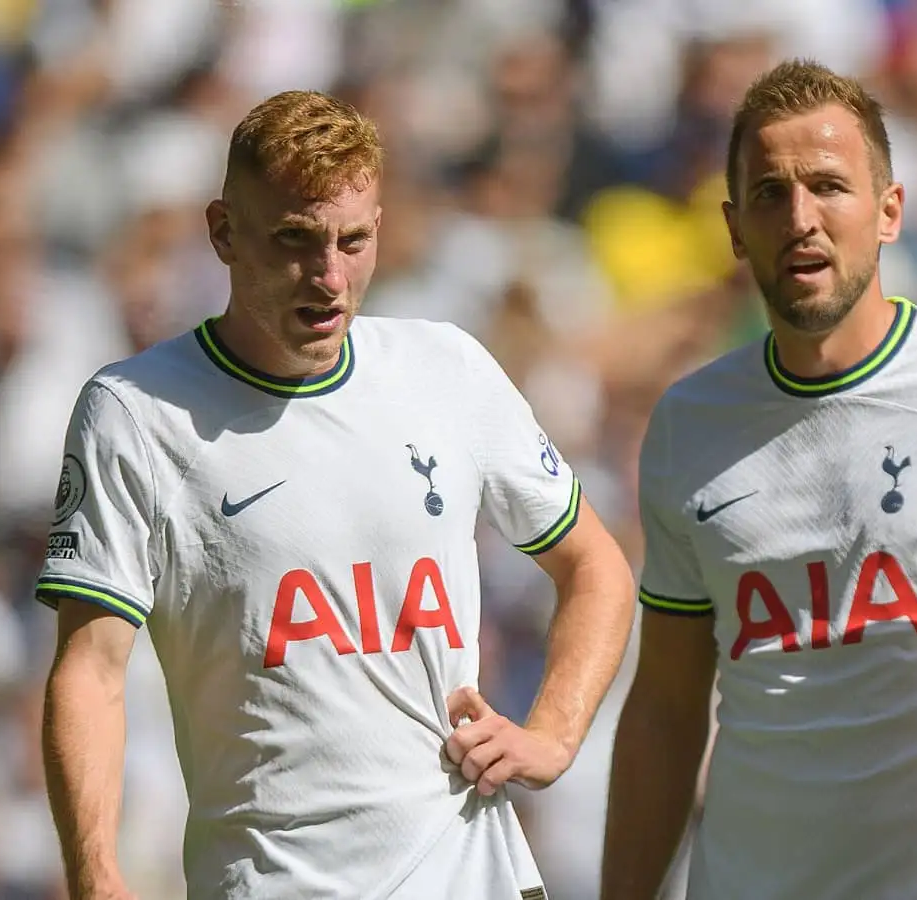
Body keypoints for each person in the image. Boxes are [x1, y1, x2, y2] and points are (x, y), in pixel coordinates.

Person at [37, 90, 635, 899]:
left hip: (475, 876)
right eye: (295, 241)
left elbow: (595, 566)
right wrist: (95, 875)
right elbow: (91, 671)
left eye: (353, 241)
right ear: (223, 232)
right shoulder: (135, 412)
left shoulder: (446, 368)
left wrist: (554, 732)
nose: (329, 276)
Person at [600, 59, 917, 900]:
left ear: (889, 212)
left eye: (829, 186)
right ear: (734, 228)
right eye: (771, 193)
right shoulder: (688, 424)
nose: (800, 219)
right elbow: (665, 705)